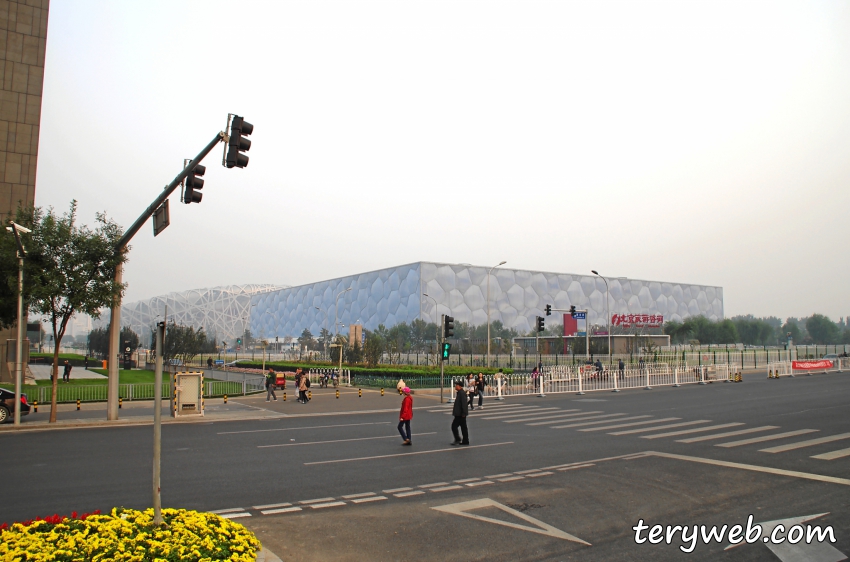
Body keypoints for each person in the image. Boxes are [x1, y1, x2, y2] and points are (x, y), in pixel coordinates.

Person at [451, 380, 469, 445]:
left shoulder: (461, 393)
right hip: (460, 413)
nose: (455, 386)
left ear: (459, 386)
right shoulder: (460, 393)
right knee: (463, 427)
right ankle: (465, 440)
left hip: (460, 414)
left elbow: (464, 404)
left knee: (454, 426)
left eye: (456, 385)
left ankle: (458, 439)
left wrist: (464, 413)